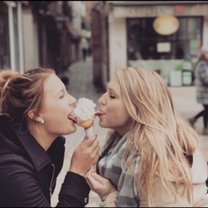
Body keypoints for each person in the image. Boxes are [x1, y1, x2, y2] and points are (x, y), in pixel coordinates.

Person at [86, 67, 208, 207]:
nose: (101, 100)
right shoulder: (119, 143)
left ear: (138, 107)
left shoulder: (155, 158)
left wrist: (108, 194)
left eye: (112, 96)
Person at [0, 68, 100, 207]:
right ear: (35, 114)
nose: (73, 100)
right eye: (61, 96)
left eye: (67, 92)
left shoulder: (53, 147)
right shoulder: (13, 171)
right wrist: (77, 171)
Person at [188, 45, 208, 135]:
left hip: (204, 92)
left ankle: (193, 119)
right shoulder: (202, 64)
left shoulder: (204, 64)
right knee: (207, 110)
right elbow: (206, 79)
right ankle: (205, 128)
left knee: (207, 109)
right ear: (203, 54)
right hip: (204, 92)